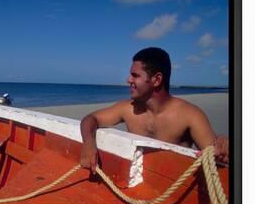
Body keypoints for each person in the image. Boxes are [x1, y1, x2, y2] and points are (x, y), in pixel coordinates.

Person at [80, 47, 229, 173]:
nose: (128, 80)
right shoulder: (127, 108)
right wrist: (88, 143)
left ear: (157, 80)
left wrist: (224, 148)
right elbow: (90, 119)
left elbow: (216, 156)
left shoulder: (190, 115)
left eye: (135, 75)